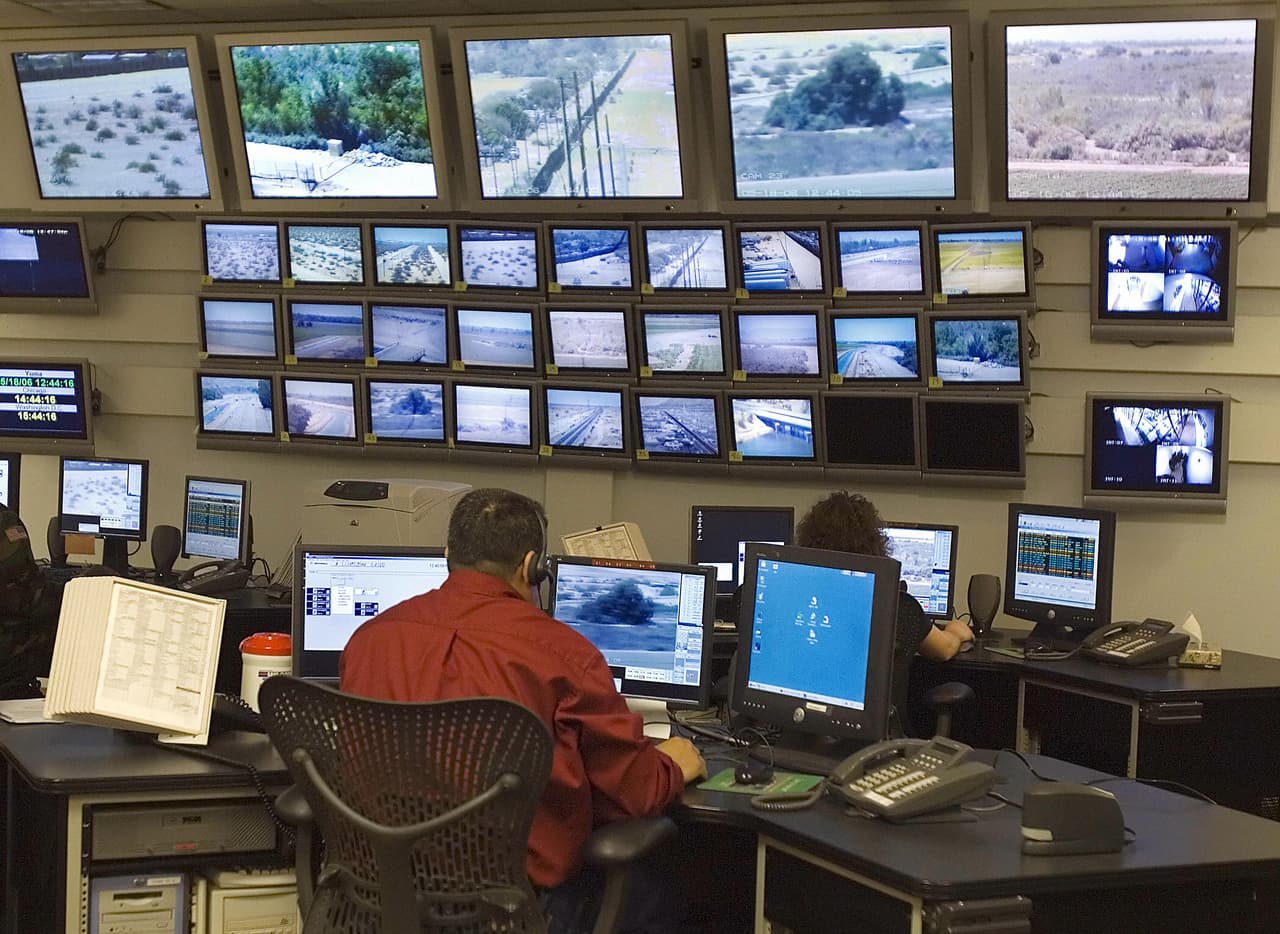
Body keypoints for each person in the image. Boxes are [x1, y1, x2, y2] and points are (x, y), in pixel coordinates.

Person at [340, 487, 706, 934]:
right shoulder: (565, 656)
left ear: (448, 554)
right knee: (678, 888)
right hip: (517, 910)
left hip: (380, 900)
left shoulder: (369, 640)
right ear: (532, 565)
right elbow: (634, 792)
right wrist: (673, 765)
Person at [795, 491, 974, 736]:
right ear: (874, 546)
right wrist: (957, 631)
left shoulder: (798, 601)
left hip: (798, 732)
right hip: (876, 742)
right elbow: (945, 649)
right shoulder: (898, 605)